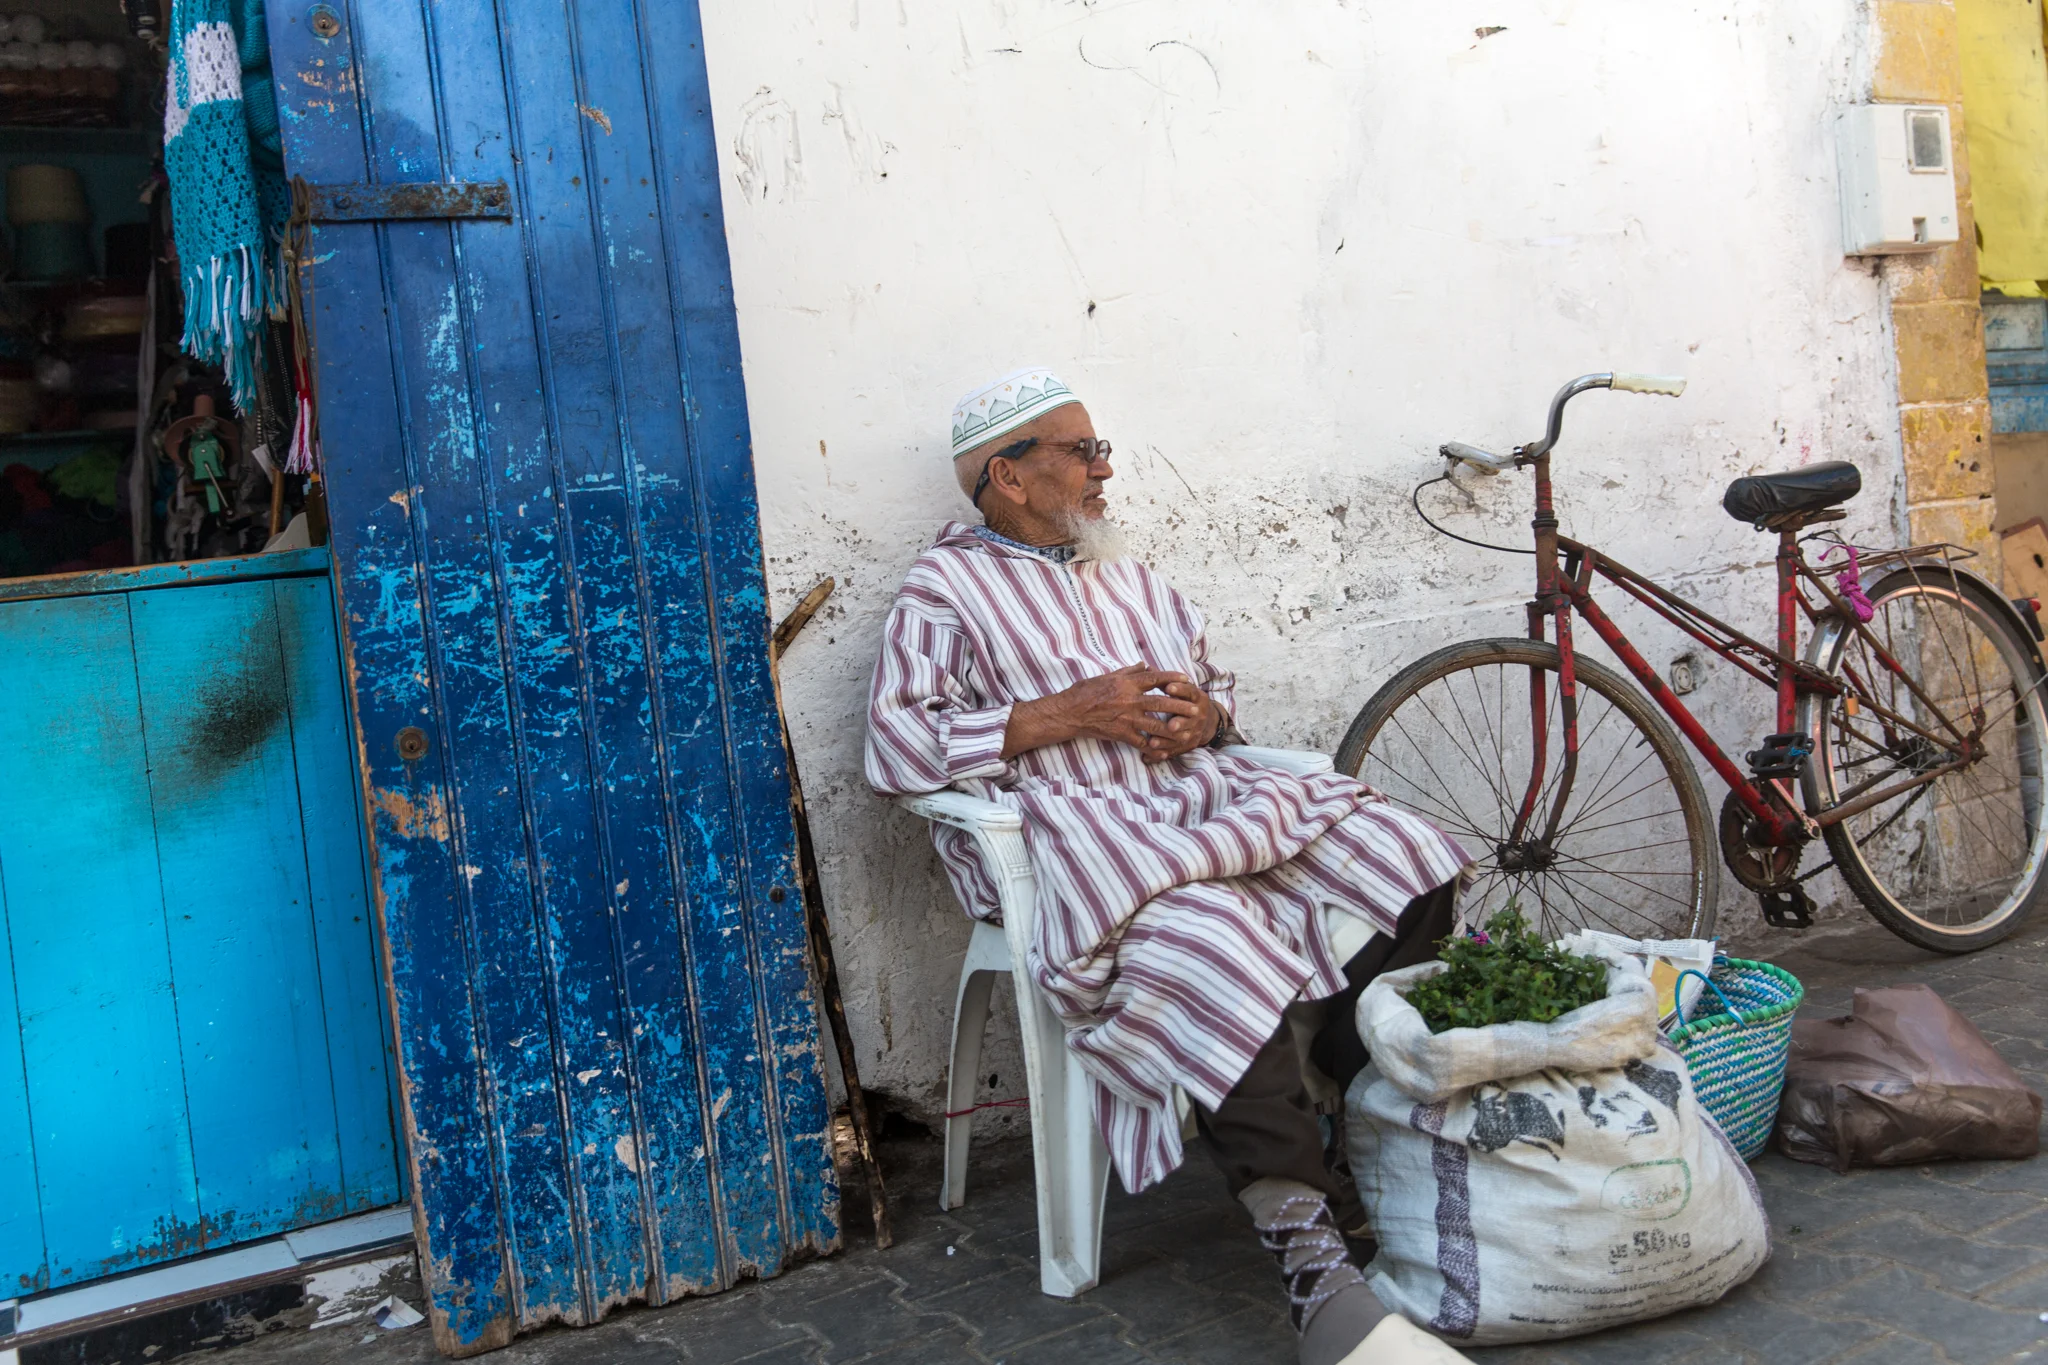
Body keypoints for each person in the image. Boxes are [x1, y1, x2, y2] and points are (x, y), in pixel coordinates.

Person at [865, 368, 1475, 1365]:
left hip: (1203, 808)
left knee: (1410, 858)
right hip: (1074, 841)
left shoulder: (1130, 574)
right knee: (1208, 936)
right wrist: (1066, 714)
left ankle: (1337, 1107)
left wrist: (1208, 717)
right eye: (1080, 451)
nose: (1103, 468)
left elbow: (1215, 692)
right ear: (1006, 476)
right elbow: (895, 751)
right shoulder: (943, 591)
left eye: (1099, 448)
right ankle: (1315, 1266)